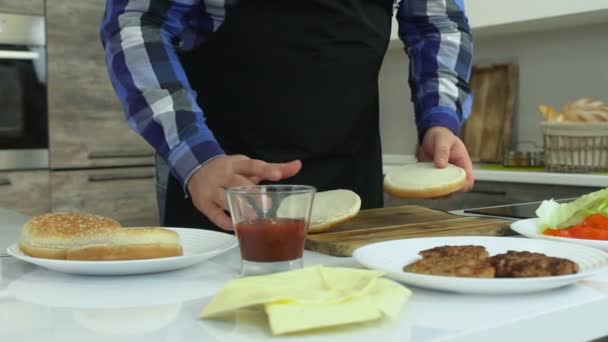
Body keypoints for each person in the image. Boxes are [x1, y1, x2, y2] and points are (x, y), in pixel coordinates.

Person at [100, 0, 475, 232]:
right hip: (222, 181)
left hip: (351, 175)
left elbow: (437, 24)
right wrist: (197, 158)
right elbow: (137, 22)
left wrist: (440, 117)